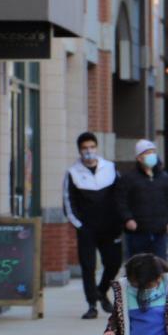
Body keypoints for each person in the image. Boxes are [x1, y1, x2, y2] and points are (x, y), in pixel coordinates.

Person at [63, 131, 122, 320]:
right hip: (87, 228)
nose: (89, 151)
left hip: (110, 227)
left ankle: (101, 290)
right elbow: (68, 201)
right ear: (79, 151)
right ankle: (91, 304)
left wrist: (120, 220)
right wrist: (79, 225)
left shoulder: (111, 169)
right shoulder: (72, 173)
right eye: (85, 148)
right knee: (87, 267)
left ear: (97, 148)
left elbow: (121, 197)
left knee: (113, 263)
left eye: (92, 147)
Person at [116, 139, 168, 260]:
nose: (151, 155)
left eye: (153, 152)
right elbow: (121, 201)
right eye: (147, 153)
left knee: (159, 268)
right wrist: (128, 219)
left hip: (159, 232)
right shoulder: (129, 178)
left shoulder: (163, 177)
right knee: (138, 268)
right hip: (137, 232)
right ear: (139, 158)